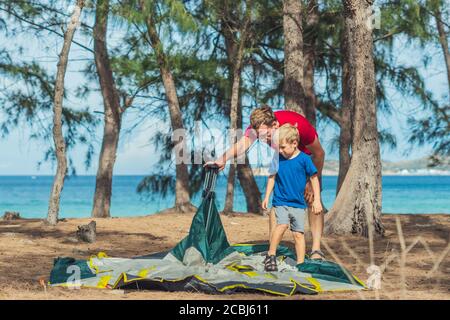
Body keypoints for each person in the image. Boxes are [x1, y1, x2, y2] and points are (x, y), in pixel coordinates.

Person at [207, 105, 327, 260]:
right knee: (277, 203)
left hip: (307, 160)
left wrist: (310, 183)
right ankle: (273, 250)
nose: (263, 140)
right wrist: (222, 159)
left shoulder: (299, 125)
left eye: (266, 136)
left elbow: (319, 153)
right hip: (284, 159)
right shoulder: (259, 127)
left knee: (312, 200)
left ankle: (316, 250)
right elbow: (243, 144)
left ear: (276, 125)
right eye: (260, 137)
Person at [262, 124, 323, 270]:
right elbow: (272, 177)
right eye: (278, 148)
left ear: (294, 143)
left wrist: (317, 200)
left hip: (298, 204)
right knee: (281, 225)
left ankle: (301, 264)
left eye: (283, 147)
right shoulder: (278, 158)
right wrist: (266, 197)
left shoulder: (304, 159)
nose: (280, 151)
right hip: (280, 201)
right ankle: (271, 256)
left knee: (298, 234)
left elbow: (314, 179)